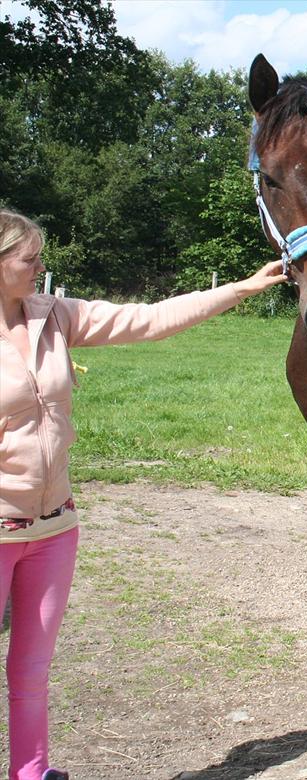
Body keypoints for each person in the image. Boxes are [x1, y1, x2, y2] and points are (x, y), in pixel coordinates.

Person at [0, 209, 286, 780]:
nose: (41, 267)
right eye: (30, 259)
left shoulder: (53, 316)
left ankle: (31, 774)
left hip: (55, 526)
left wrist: (242, 288)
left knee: (32, 669)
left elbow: (149, 320)